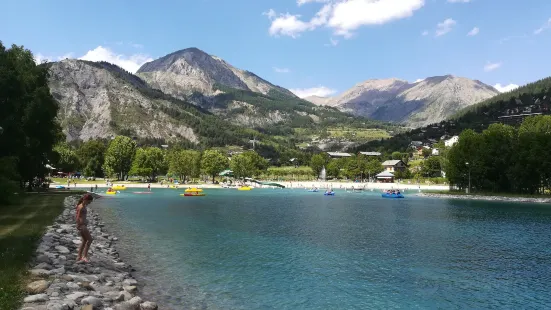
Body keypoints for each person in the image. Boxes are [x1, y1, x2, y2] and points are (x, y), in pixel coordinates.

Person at [75, 194, 94, 262]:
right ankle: (84, 256)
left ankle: (79, 256)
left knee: (85, 240)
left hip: (82, 225)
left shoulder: (81, 205)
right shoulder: (81, 207)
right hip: (82, 225)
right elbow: (77, 216)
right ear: (85, 200)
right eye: (89, 202)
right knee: (90, 240)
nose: (89, 203)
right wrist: (79, 225)